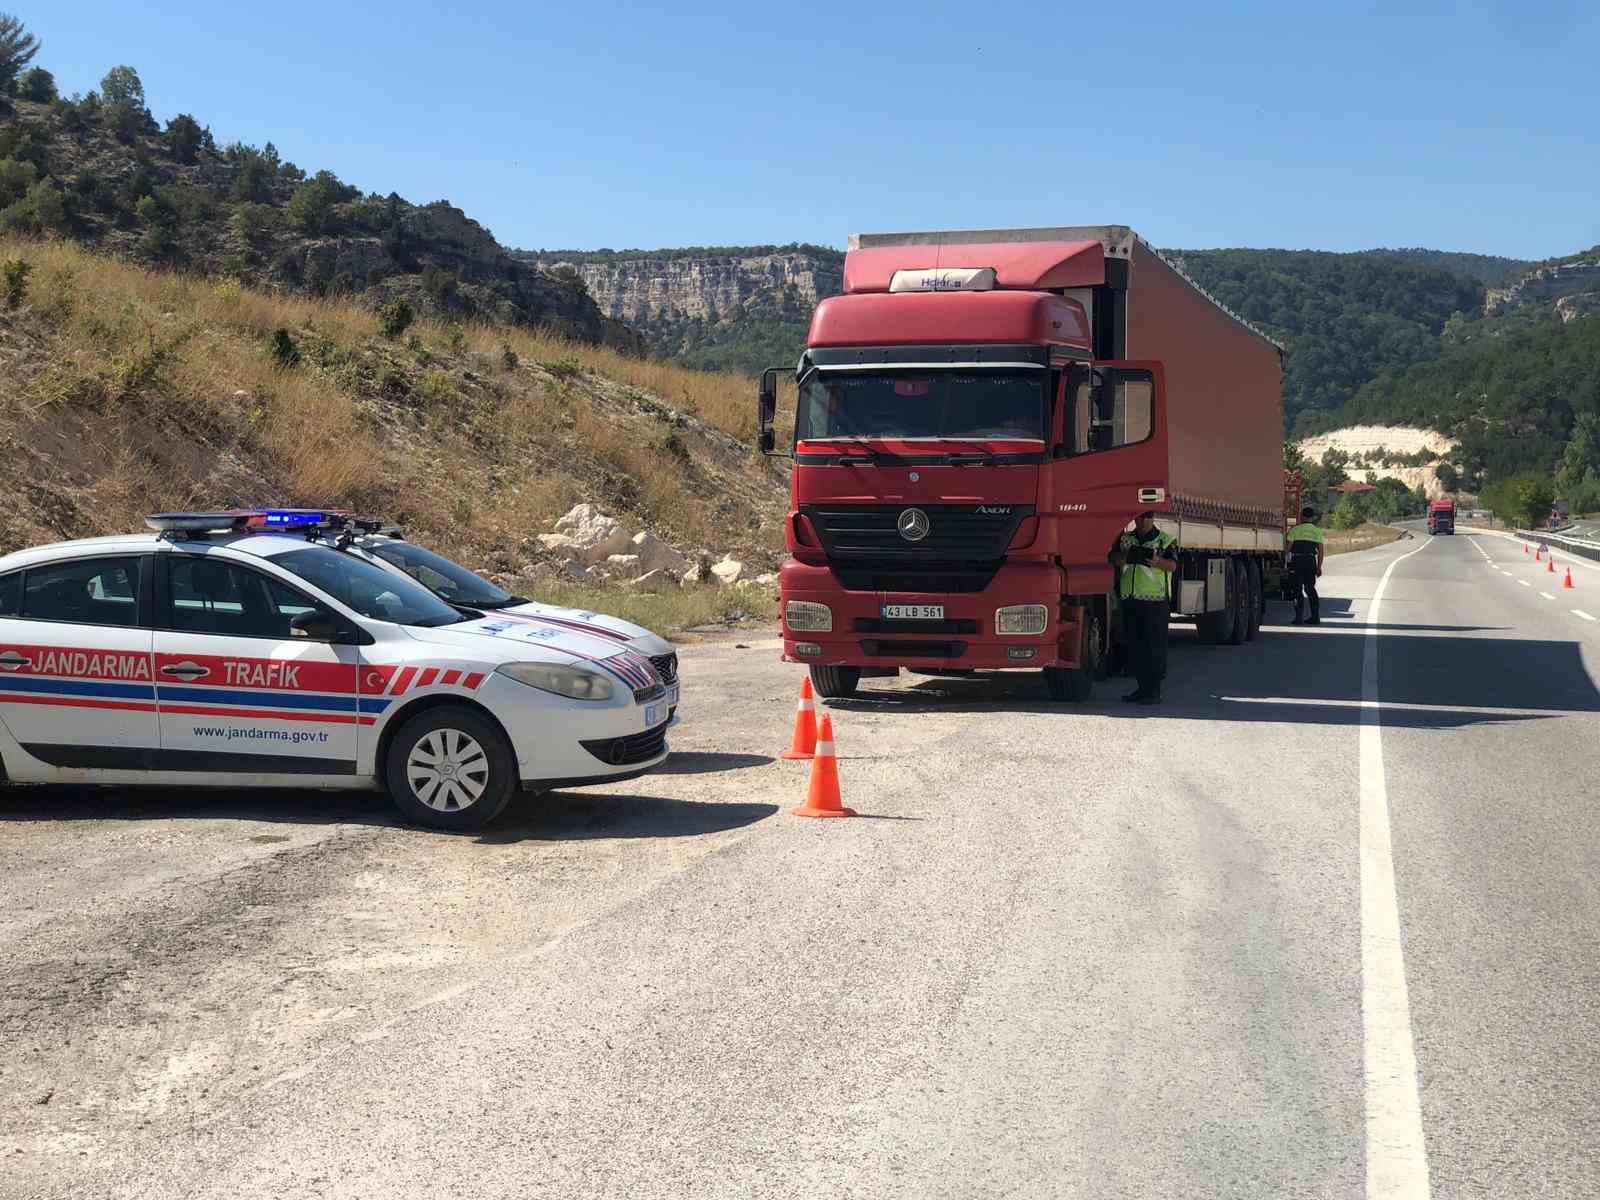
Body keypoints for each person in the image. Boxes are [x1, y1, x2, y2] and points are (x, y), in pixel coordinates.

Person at [1112, 510, 1179, 705]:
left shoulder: (1165, 540)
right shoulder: (1126, 539)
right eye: (1140, 518)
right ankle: (1142, 689)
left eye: (1147, 518)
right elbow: (1113, 559)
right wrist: (1125, 557)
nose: (1142, 522)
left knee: (1154, 647)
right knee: (1136, 646)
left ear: (1153, 519)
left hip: (1155, 601)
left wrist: (1157, 561)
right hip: (1131, 599)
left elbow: (1173, 566)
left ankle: (1154, 691)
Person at [1286, 505, 1325, 625]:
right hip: (1310, 561)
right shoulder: (1317, 531)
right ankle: (1315, 616)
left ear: (1301, 516)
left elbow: (1288, 548)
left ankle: (1298, 618)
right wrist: (1319, 567)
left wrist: (1285, 562)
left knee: (1297, 590)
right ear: (1312, 518)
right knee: (1310, 589)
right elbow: (1321, 551)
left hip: (1297, 561)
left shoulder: (1295, 530)